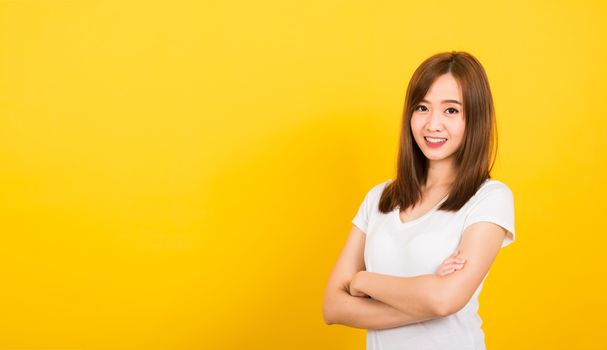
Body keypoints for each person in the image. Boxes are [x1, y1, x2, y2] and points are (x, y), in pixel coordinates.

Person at [322, 51, 515, 350]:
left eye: (451, 111)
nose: (432, 124)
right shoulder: (379, 198)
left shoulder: (489, 198)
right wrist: (424, 298)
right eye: (422, 108)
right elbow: (333, 307)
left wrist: (362, 282)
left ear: (475, 117)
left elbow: (444, 300)